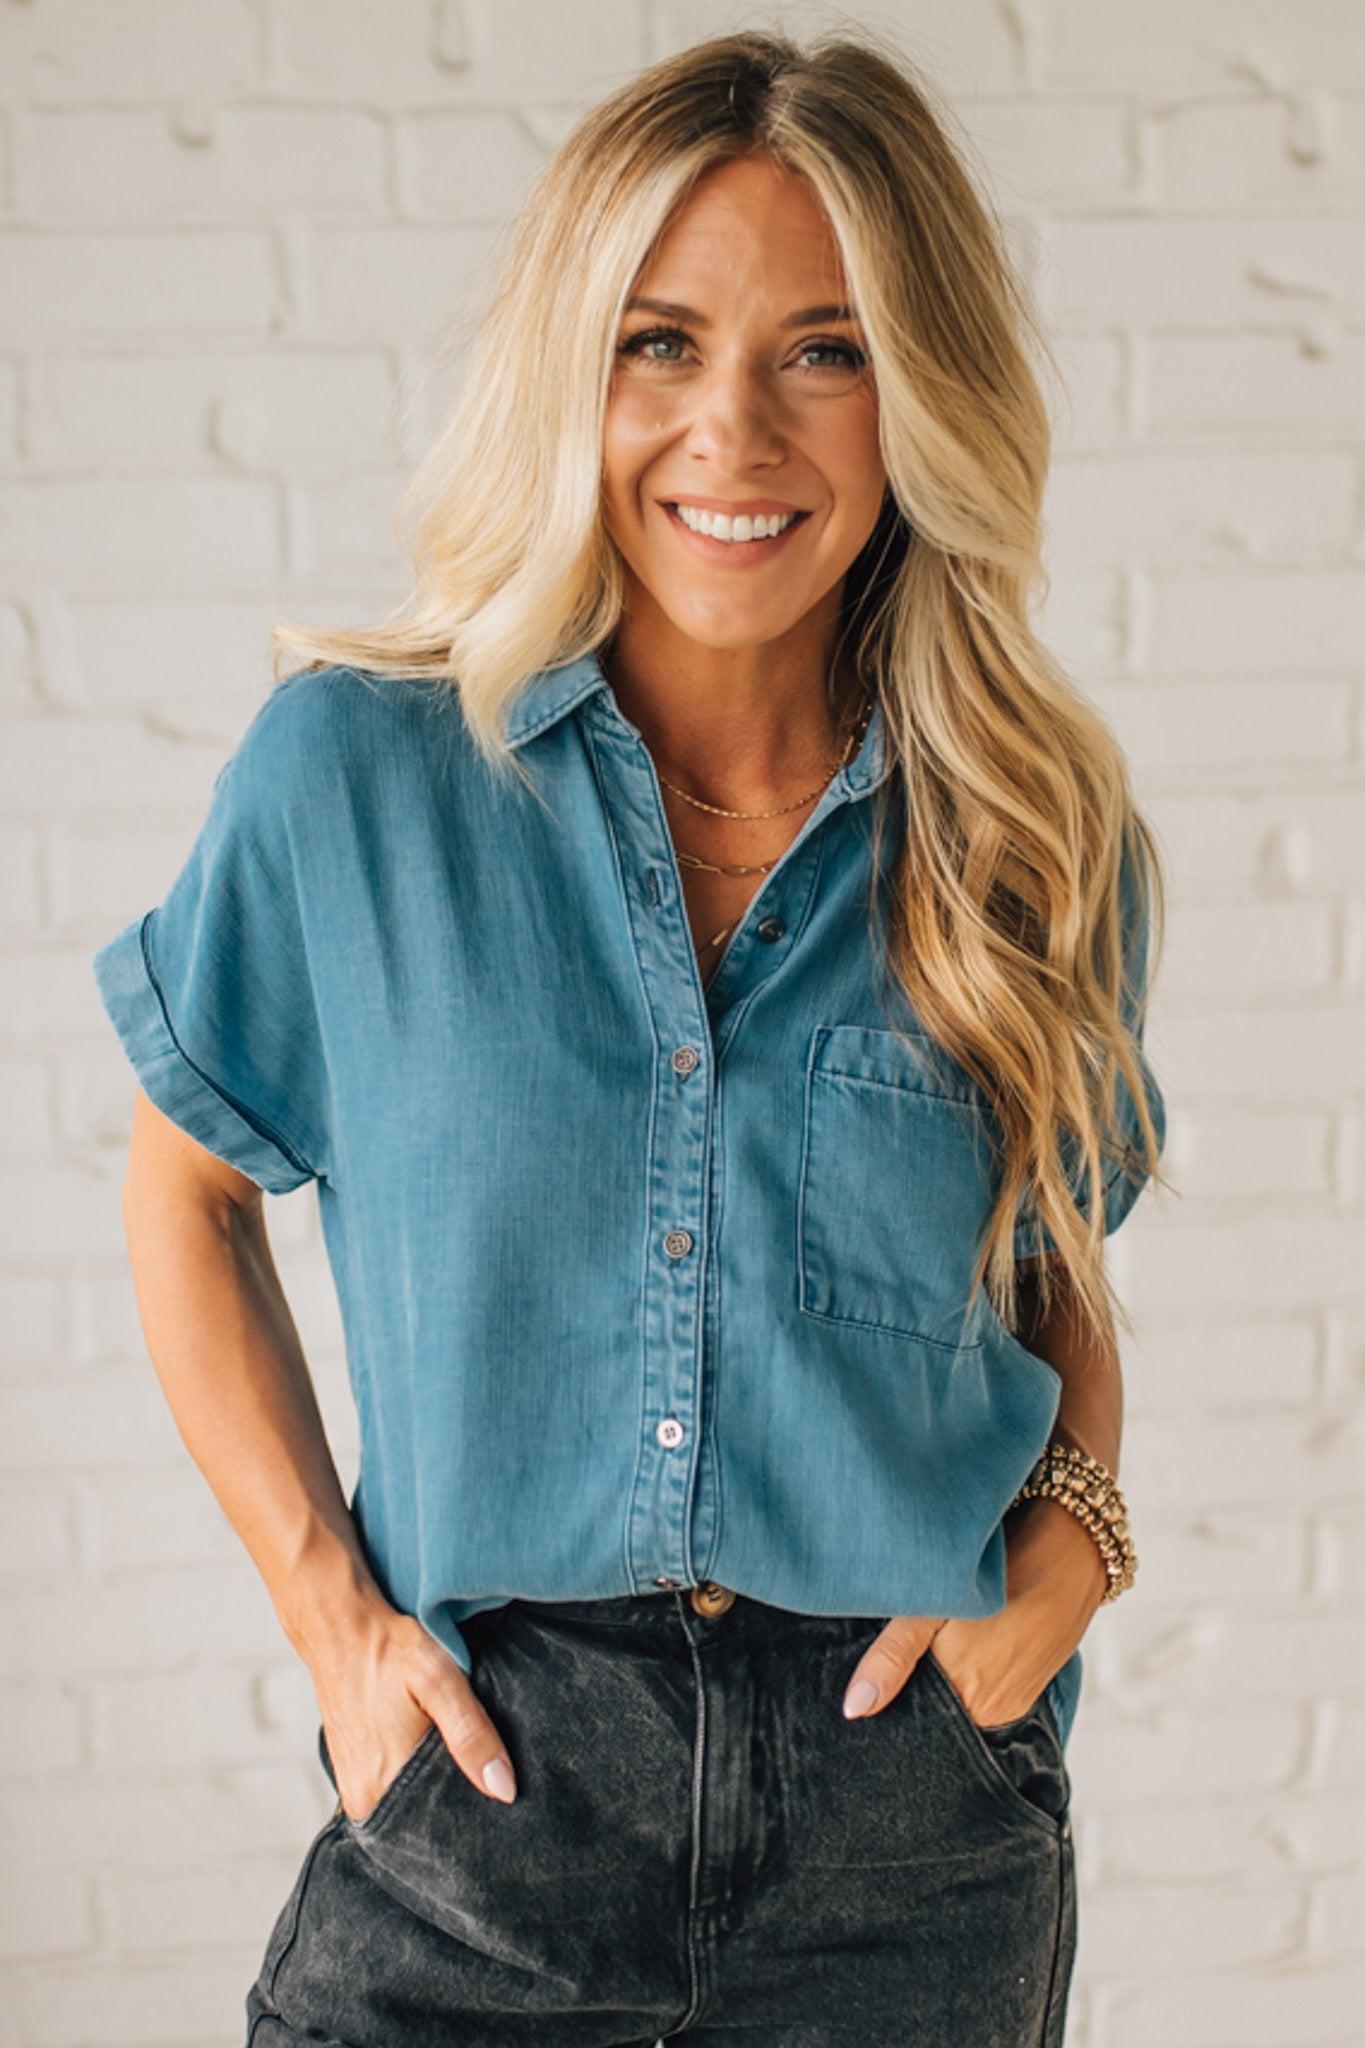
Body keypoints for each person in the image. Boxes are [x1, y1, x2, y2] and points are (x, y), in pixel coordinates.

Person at [91, 27, 1169, 2048]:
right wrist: (330, 1620)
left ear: (918, 389)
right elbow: (187, 1194)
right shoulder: (353, 780)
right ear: (566, 373)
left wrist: (1071, 1550)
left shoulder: (1027, 831)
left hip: (910, 1828)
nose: (729, 430)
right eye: (657, 343)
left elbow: (1049, 1269)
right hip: (483, 1795)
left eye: (824, 350)